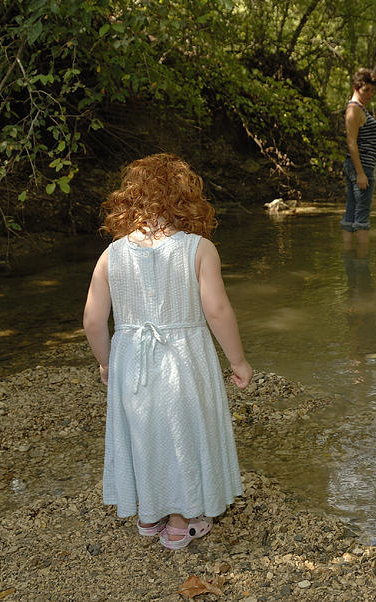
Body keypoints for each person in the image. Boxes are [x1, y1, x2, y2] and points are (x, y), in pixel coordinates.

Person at [83, 153, 253, 551]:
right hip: (185, 357)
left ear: (130, 199)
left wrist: (107, 362)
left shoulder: (111, 255)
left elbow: (92, 321)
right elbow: (216, 310)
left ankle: (149, 515)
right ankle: (180, 521)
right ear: (186, 199)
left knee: (145, 431)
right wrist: (238, 361)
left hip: (132, 359)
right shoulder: (199, 248)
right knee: (181, 431)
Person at [342, 68, 376, 250]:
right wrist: (360, 173)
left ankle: (350, 259)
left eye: (372, 91)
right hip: (360, 167)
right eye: (366, 90)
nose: (370, 94)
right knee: (362, 216)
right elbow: (351, 142)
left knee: (352, 212)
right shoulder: (353, 109)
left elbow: (364, 136)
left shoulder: (360, 109)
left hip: (361, 166)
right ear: (355, 87)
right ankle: (362, 263)